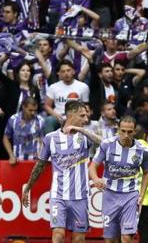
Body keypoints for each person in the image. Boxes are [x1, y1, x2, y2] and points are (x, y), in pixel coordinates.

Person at [22, 101, 102, 243]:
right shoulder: (51, 138)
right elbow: (40, 165)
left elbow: (104, 143)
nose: (86, 119)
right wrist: (28, 187)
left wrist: (81, 130)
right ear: (71, 114)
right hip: (58, 195)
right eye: (82, 115)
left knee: (78, 239)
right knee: (58, 235)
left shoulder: (84, 136)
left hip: (80, 197)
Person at [89, 115, 148, 243]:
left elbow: (146, 173)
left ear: (134, 131)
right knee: (110, 239)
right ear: (118, 129)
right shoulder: (107, 145)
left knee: (127, 238)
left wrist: (142, 195)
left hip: (130, 196)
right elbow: (92, 166)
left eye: (129, 132)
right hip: (109, 195)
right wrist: (95, 178)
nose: (126, 135)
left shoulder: (142, 150)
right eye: (123, 131)